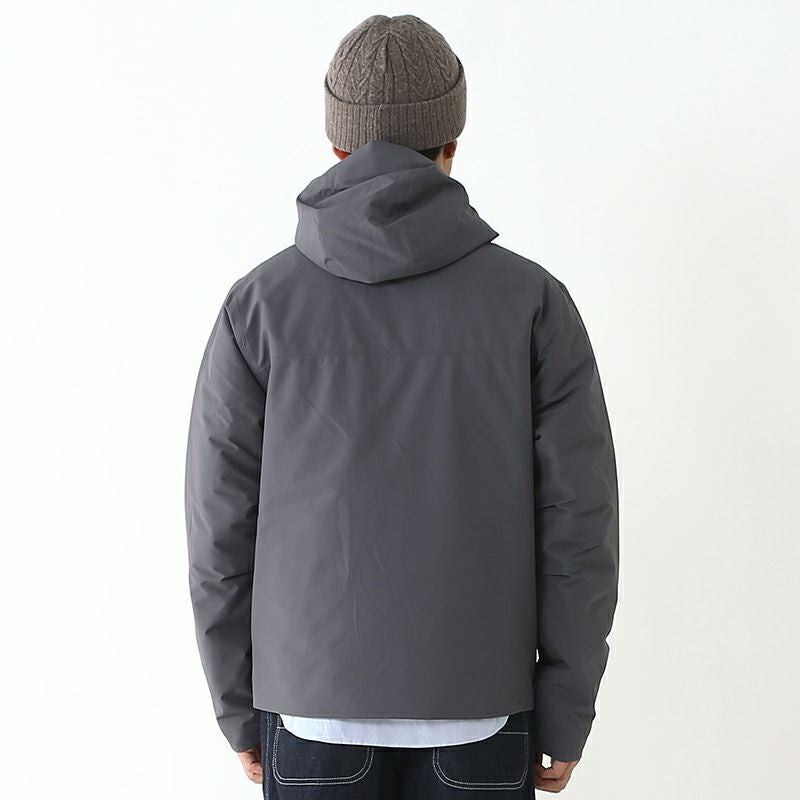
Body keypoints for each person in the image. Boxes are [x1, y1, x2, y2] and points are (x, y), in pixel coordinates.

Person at [184, 13, 619, 797]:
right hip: (483, 711)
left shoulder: (258, 307)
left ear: (337, 144)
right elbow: (578, 529)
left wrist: (237, 707)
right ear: (452, 139)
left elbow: (220, 531)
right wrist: (566, 709)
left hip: (309, 710)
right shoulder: (531, 303)